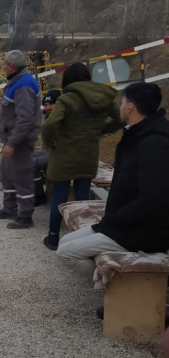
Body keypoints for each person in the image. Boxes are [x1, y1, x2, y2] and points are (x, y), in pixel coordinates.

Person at [57, 82, 169, 281]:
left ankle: (121, 290)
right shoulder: (137, 134)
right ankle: (119, 287)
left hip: (140, 232)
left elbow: (152, 200)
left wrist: (116, 219)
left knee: (66, 252)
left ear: (130, 107)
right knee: (65, 241)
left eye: (121, 102)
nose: (119, 107)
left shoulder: (155, 143)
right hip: (121, 223)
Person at [41, 63, 123, 250]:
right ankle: (79, 239)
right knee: (83, 200)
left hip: (63, 155)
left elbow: (48, 125)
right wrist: (99, 130)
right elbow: (119, 119)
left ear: (67, 80)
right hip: (88, 154)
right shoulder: (104, 97)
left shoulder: (67, 100)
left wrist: (50, 143)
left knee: (60, 198)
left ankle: (53, 238)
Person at [0, 50, 41, 229]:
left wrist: (12, 142)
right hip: (12, 139)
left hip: (20, 141)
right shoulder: (17, 82)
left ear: (11, 66)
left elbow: (25, 118)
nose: (3, 67)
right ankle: (9, 208)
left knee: (21, 176)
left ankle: (26, 216)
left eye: (4, 64)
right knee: (7, 174)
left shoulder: (23, 85)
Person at [33, 89, 62, 206]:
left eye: (51, 104)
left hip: (58, 152)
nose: (48, 107)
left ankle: (39, 197)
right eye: (45, 105)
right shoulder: (48, 117)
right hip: (48, 149)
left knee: (31, 163)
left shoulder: (62, 118)